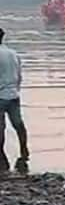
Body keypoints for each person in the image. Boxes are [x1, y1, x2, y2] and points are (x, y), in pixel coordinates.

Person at [0, 28, 28, 175]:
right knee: (18, 124)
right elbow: (19, 76)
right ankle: (24, 149)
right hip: (13, 95)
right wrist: (16, 89)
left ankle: (1, 157)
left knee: (0, 127)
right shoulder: (13, 54)